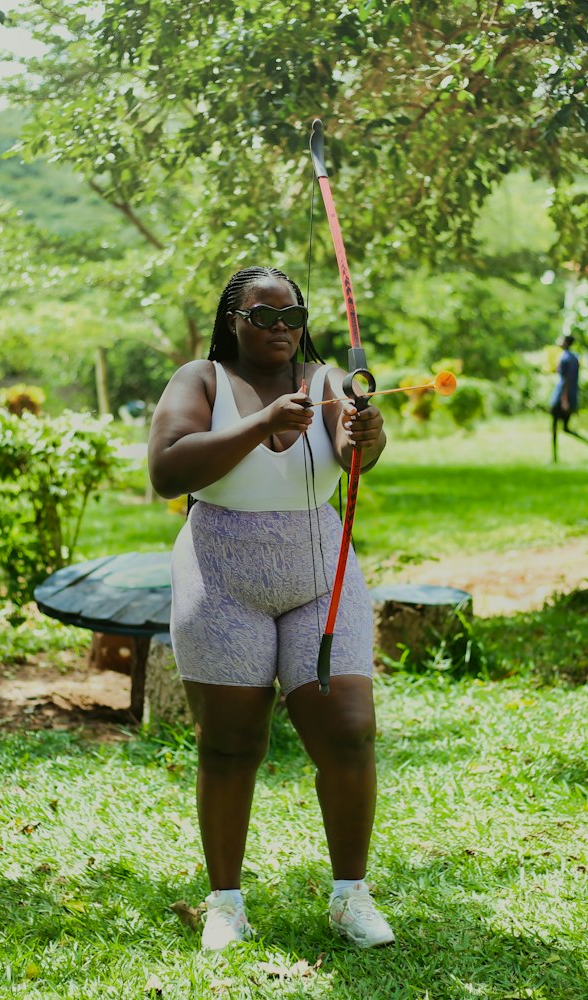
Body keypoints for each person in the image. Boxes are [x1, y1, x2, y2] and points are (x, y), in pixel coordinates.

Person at [147, 266, 394, 952]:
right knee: (230, 745)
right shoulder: (200, 380)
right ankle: (225, 904)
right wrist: (259, 424)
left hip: (321, 569)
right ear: (234, 318)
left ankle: (351, 898)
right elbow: (168, 470)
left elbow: (352, 455)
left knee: (348, 730)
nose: (280, 331)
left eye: (291, 318)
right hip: (222, 571)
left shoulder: (324, 380)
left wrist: (364, 438)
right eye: (264, 317)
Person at [550, 334, 588, 463]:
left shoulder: (565, 358)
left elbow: (566, 380)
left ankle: (554, 458)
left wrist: (564, 400)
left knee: (556, 427)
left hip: (561, 397)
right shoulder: (575, 358)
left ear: (566, 342)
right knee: (565, 428)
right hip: (571, 396)